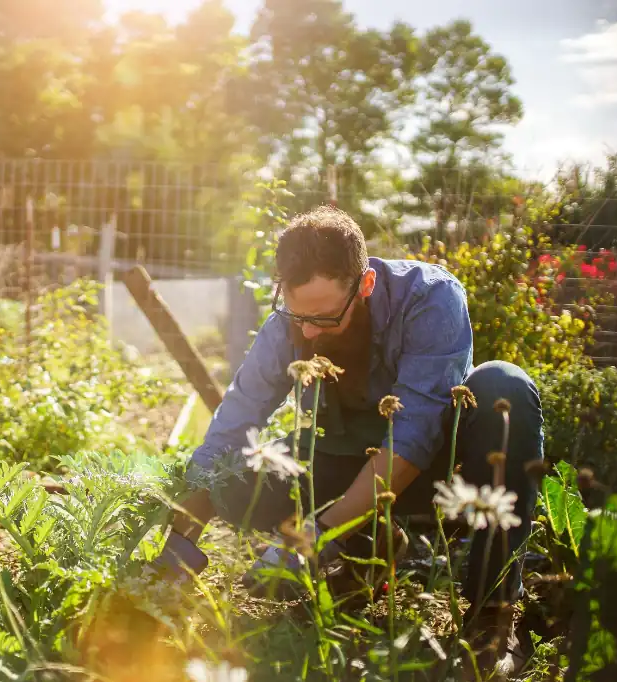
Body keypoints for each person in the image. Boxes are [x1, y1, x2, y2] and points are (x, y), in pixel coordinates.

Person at [148, 206, 544, 679]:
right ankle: (371, 549)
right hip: (341, 464)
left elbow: (413, 439)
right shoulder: (288, 325)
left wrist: (315, 537)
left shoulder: (430, 299)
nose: (309, 331)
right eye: (298, 315)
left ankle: (492, 620)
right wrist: (176, 548)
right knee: (233, 481)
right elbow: (232, 425)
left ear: (366, 286)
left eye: (325, 317)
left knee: (506, 389)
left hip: (436, 474)